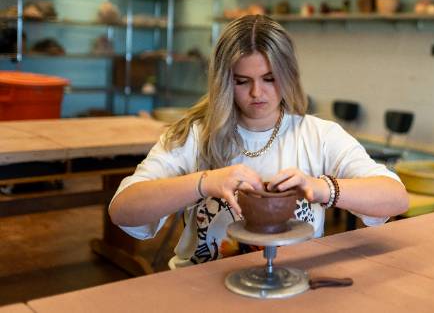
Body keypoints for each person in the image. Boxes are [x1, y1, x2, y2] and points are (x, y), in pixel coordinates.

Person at [109, 14, 409, 266]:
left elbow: (395, 197)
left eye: (269, 78)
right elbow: (122, 209)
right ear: (224, 81)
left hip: (290, 284)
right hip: (200, 290)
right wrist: (203, 183)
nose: (257, 93)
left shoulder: (319, 136)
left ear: (289, 75)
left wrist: (320, 188)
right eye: (242, 82)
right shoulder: (195, 135)